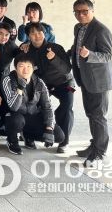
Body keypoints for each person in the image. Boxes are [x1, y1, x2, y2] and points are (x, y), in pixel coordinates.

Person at [68, 0, 112, 167]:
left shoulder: (101, 30)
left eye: (85, 11)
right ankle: (94, 145)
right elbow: (76, 47)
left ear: (92, 11)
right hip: (85, 78)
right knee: (91, 114)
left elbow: (107, 55)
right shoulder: (78, 28)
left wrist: (89, 54)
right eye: (77, 12)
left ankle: (99, 153)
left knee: (98, 116)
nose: (80, 15)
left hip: (99, 81)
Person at [22, 22, 74, 153]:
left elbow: (67, 69)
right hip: (44, 85)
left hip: (66, 83)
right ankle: (29, 136)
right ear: (28, 36)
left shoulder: (56, 48)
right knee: (31, 105)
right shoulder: (27, 51)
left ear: (44, 33)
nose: (37, 36)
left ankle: (64, 141)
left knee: (67, 105)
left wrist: (54, 58)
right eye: (33, 33)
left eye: (39, 32)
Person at [1, 53, 64, 155]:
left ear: (33, 68)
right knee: (16, 120)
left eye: (28, 66)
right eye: (21, 66)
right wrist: (20, 88)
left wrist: (49, 128)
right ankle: (12, 140)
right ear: (16, 68)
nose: (25, 70)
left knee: (59, 136)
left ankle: (28, 135)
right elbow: (13, 107)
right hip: (14, 116)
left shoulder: (39, 82)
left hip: (32, 115)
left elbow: (47, 107)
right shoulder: (7, 80)